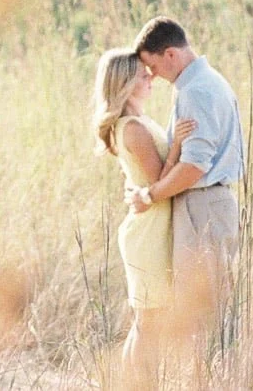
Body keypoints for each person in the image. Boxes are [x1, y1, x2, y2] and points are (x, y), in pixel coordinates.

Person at [124, 16, 246, 342]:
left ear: (171, 55)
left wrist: (150, 195)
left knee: (202, 313)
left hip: (202, 205)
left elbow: (194, 167)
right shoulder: (207, 82)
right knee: (211, 309)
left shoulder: (196, 91)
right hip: (210, 204)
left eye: (152, 66)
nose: (153, 76)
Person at [92, 47, 195, 376]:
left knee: (150, 322)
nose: (150, 77)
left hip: (152, 225)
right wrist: (177, 144)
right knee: (148, 324)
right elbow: (158, 182)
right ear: (125, 84)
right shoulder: (132, 127)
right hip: (147, 232)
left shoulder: (139, 122)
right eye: (141, 74)